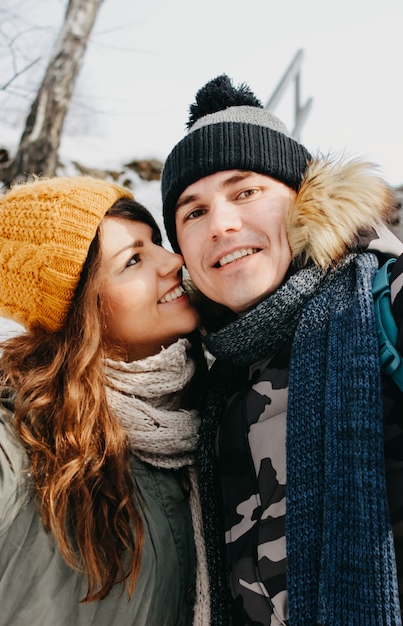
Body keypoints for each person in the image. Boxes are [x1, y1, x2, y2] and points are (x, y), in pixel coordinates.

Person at [161, 74, 403, 626]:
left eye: (246, 192)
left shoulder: (384, 302)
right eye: (193, 212)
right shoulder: (211, 381)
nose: (221, 224)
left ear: (305, 203)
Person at [0, 175, 210, 626]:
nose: (173, 261)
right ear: (79, 310)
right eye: (133, 260)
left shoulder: (212, 399)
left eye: (155, 243)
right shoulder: (18, 441)